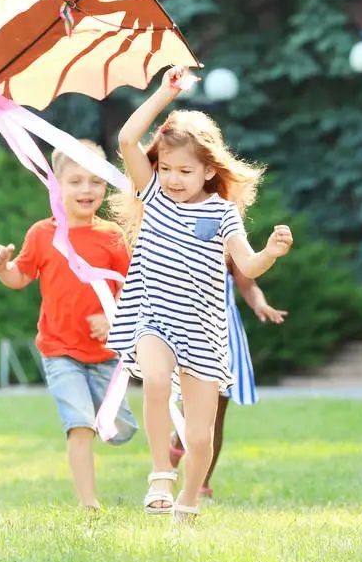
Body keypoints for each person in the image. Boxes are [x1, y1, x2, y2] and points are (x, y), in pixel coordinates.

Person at [107, 65, 293, 522]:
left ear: (209, 170)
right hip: (154, 317)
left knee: (201, 433)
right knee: (152, 381)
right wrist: (162, 95)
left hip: (203, 332)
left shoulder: (223, 214)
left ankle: (189, 501)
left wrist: (269, 252)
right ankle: (159, 476)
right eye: (165, 168)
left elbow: (246, 265)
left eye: (184, 171)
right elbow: (128, 141)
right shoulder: (153, 196)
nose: (172, 178)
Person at [0, 140, 137, 509]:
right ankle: (90, 504)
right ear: (56, 184)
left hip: (106, 355)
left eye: (95, 181)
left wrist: (112, 317)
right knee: (80, 425)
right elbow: (19, 277)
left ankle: (106, 425)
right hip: (59, 351)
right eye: (75, 181)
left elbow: (135, 288)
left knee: (122, 430)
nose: (86, 189)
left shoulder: (114, 236)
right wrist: (0, 267)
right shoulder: (42, 234)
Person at [168, 256, 287, 499]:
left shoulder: (230, 244)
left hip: (224, 336)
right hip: (190, 332)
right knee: (191, 411)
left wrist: (260, 305)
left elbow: (248, 285)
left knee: (216, 414)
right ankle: (170, 460)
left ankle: (202, 483)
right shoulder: (179, 234)